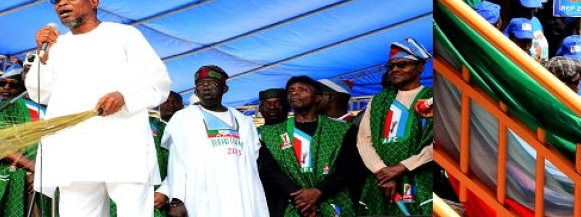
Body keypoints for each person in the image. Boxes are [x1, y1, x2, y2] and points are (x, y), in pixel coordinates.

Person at [26, 0, 172, 216]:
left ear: (93, 2)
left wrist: (124, 96)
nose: (62, 4)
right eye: (57, 0)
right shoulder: (57, 46)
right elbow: (39, 92)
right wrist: (42, 55)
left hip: (122, 146)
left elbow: (159, 81)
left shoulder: (124, 35)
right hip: (73, 149)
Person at [159, 65, 269, 217]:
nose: (205, 88)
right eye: (200, 85)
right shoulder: (183, 118)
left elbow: (253, 160)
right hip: (201, 197)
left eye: (211, 84)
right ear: (196, 91)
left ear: (225, 89)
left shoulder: (244, 121)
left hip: (241, 196)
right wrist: (176, 199)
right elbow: (176, 162)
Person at [258, 75, 363, 217]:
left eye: (303, 89)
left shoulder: (342, 130)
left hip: (334, 202)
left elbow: (350, 167)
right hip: (290, 204)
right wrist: (299, 197)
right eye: (291, 90)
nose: (295, 92)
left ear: (318, 98)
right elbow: (269, 169)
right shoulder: (270, 133)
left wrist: (319, 191)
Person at [357, 38, 433, 216]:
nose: (395, 70)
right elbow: (363, 140)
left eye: (402, 64)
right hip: (380, 181)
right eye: (391, 66)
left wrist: (403, 167)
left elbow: (438, 143)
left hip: (419, 179)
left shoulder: (431, 98)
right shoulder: (378, 101)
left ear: (420, 68)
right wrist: (381, 171)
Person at [0, 64, 48, 217]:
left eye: (13, 84)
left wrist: (38, 171)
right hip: (2, 177)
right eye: (2, 83)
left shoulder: (47, 111)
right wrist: (34, 168)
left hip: (41, 179)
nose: (6, 88)